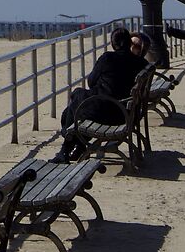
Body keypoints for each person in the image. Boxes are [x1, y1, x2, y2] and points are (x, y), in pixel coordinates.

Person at [60, 28, 147, 157]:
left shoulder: (108, 58)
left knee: (75, 99)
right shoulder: (142, 63)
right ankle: (77, 145)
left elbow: (91, 81)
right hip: (127, 114)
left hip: (107, 113)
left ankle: (66, 148)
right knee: (75, 103)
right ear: (130, 44)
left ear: (113, 44)